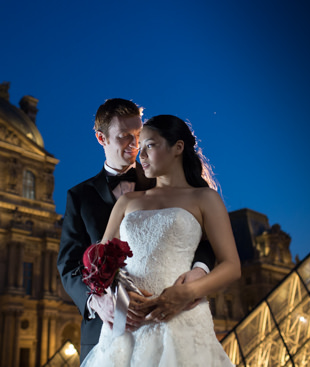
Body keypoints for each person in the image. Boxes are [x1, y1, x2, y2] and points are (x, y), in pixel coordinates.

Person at [57, 99, 216, 362]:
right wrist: (96, 301)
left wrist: (200, 269)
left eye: (138, 136)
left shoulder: (166, 179)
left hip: (169, 318)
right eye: (123, 137)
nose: (134, 145)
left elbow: (205, 238)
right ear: (101, 138)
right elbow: (68, 264)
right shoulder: (79, 196)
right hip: (105, 332)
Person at [80, 114, 241, 366]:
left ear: (177, 147)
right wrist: (118, 294)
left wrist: (188, 292)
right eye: (139, 148)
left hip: (182, 319)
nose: (140, 155)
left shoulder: (205, 198)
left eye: (150, 145)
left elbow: (231, 265)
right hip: (128, 322)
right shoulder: (127, 202)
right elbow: (100, 263)